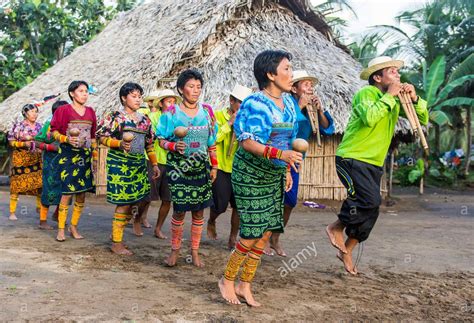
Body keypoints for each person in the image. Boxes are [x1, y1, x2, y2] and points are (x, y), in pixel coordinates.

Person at [326, 56, 428, 275]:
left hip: (373, 162)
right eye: (392, 72)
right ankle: (336, 226)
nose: (398, 76)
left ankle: (347, 249)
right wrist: (391, 96)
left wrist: (414, 97)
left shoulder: (392, 100)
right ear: (377, 77)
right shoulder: (366, 94)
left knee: (372, 208)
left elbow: (421, 120)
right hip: (351, 158)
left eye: (397, 72)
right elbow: (370, 118)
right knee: (367, 199)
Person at [218, 50, 303, 307]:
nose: (291, 74)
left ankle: (245, 284)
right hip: (251, 175)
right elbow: (247, 143)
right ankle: (227, 279)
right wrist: (282, 155)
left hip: (273, 172)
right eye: (286, 68)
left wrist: (285, 169)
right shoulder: (254, 104)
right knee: (252, 231)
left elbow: (288, 140)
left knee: (266, 232)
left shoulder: (288, 103)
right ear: (270, 74)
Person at [268, 70, 335, 256]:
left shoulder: (313, 107)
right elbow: (286, 124)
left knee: (289, 202)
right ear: (295, 88)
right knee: (272, 199)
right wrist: (299, 105)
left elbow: (328, 129)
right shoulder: (287, 103)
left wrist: (320, 110)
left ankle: (275, 237)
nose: (310, 88)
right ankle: (262, 239)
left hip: (295, 162)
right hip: (278, 157)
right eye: (305, 84)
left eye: (310, 85)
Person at [156, 69, 218, 267]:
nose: (196, 90)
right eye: (191, 86)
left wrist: (214, 166)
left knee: (199, 212)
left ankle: (194, 252)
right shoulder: (171, 113)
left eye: (199, 87)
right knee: (180, 211)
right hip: (179, 168)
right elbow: (160, 139)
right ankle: (174, 251)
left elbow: (211, 143)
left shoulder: (207, 112)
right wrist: (173, 146)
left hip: (201, 167)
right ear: (181, 89)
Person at [96, 82, 160, 255]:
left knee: (134, 201)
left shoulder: (144, 120)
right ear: (124, 98)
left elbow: (149, 145)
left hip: (138, 164)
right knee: (124, 202)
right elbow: (101, 137)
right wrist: (119, 143)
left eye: (139, 96)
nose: (138, 99)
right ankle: (117, 243)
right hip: (120, 163)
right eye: (133, 96)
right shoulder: (115, 117)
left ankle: (116, 234)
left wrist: (154, 164)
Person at [49, 80, 98, 242]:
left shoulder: (91, 111)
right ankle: (61, 229)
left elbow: (93, 137)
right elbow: (53, 131)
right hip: (68, 155)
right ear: (72, 93)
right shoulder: (63, 110)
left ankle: (74, 226)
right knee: (67, 193)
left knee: (82, 193)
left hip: (84, 157)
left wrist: (95, 156)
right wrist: (66, 139)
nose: (85, 94)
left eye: (86, 91)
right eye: (81, 91)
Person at [206, 84, 253, 249]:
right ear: (231, 101)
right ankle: (212, 220)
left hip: (240, 167)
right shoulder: (217, 116)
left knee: (239, 206)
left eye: (245, 103)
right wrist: (229, 124)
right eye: (239, 102)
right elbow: (212, 139)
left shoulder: (249, 120)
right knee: (220, 205)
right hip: (219, 167)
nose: (242, 107)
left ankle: (233, 238)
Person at [35, 100, 69, 228]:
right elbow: (37, 141)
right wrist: (51, 148)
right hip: (51, 165)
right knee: (49, 190)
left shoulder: (70, 126)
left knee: (65, 189)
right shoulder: (48, 125)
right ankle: (43, 221)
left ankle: (57, 215)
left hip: (66, 163)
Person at [8, 104, 43, 222]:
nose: (35, 114)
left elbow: (44, 140)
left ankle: (40, 209)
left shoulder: (40, 126)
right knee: (16, 185)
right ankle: (12, 212)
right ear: (25, 113)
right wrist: (23, 144)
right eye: (32, 112)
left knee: (39, 185)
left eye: (36, 112)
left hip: (36, 158)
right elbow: (12, 142)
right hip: (20, 159)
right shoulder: (18, 126)